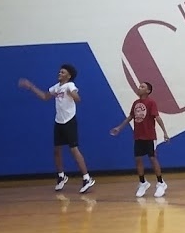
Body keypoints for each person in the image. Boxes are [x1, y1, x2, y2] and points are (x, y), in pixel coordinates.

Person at [19, 64, 95, 193]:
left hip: (69, 121)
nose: (59, 73)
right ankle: (61, 176)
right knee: (56, 151)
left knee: (74, 150)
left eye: (62, 72)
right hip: (59, 121)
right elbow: (45, 97)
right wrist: (31, 87)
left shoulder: (69, 85)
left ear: (68, 75)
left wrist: (74, 94)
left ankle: (87, 178)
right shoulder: (56, 87)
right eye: (59, 72)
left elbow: (77, 98)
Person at [111, 81, 171, 197]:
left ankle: (160, 183)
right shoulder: (135, 103)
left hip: (149, 136)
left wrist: (165, 132)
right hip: (138, 135)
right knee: (138, 159)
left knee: (152, 158)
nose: (139, 87)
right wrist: (119, 127)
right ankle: (143, 182)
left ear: (148, 91)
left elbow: (157, 117)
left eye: (142, 86)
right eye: (139, 86)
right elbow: (130, 117)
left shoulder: (151, 103)